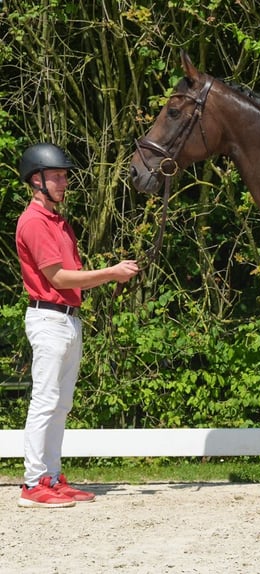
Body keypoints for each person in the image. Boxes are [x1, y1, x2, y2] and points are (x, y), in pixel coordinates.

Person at [15, 142, 140, 508]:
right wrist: (112, 273)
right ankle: (33, 482)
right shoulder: (35, 222)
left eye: (64, 176)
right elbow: (59, 278)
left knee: (61, 403)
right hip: (49, 316)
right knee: (45, 401)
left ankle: (51, 476)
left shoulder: (58, 222)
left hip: (68, 319)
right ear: (36, 180)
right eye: (56, 176)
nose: (64, 181)